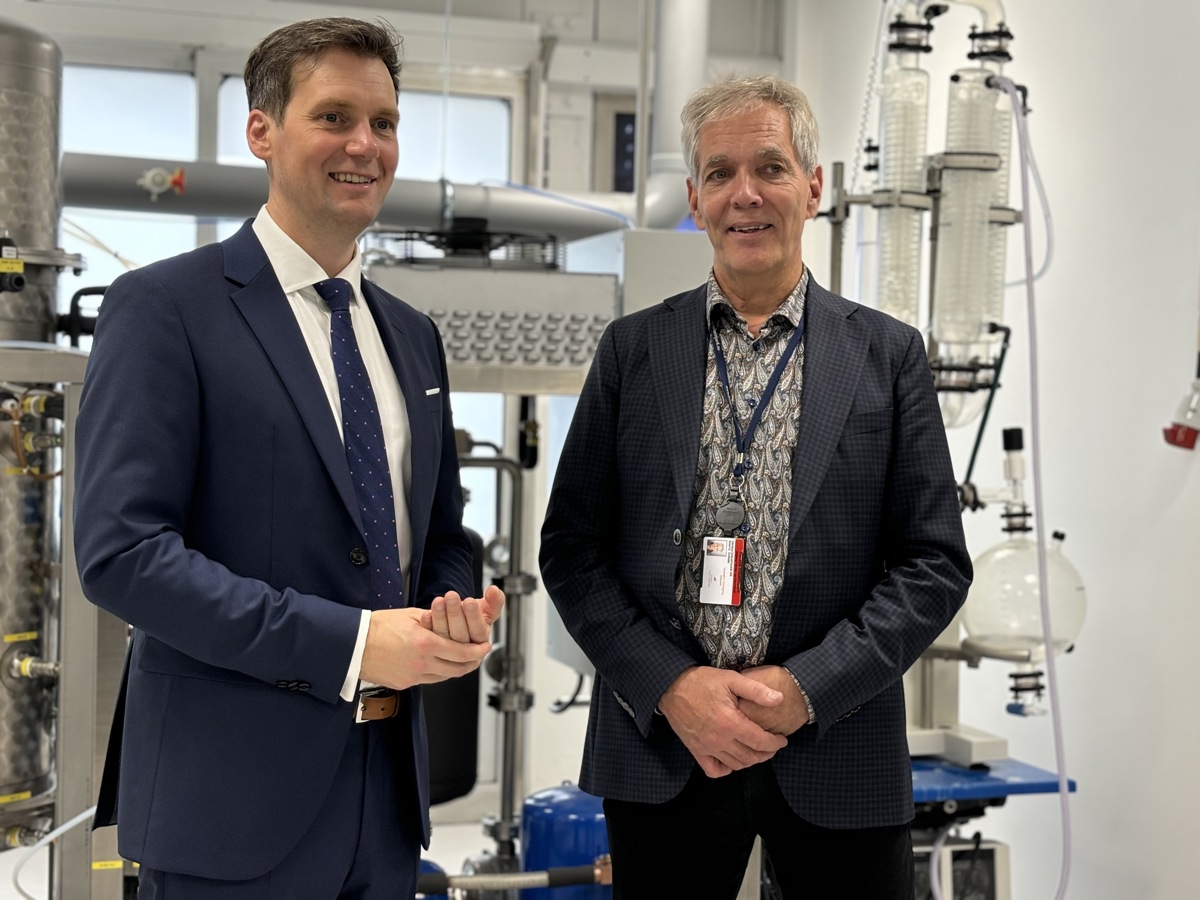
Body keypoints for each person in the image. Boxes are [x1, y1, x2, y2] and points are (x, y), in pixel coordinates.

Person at [74, 17, 501, 900]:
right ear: (261, 130)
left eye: (384, 123)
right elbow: (123, 556)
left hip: (385, 805)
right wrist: (350, 643)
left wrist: (450, 612)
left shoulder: (411, 337)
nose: (364, 145)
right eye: (334, 116)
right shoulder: (165, 309)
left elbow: (440, 532)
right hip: (225, 808)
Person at [539, 75, 971, 900]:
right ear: (695, 197)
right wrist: (670, 686)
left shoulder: (887, 356)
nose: (747, 195)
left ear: (813, 187)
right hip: (666, 744)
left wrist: (807, 688)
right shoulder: (632, 352)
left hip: (836, 746)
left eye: (770, 168)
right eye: (721, 173)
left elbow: (933, 565)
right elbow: (571, 552)